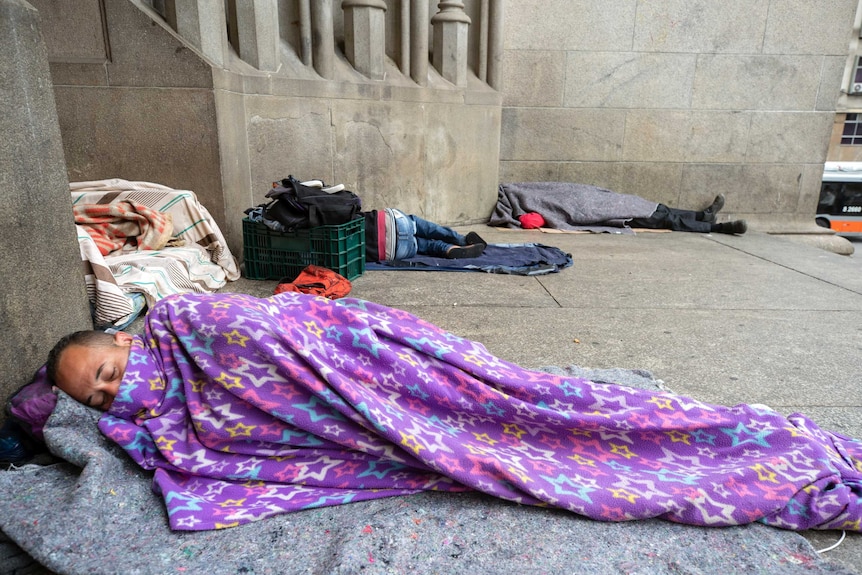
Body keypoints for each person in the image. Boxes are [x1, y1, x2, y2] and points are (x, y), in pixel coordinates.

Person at [43, 291, 862, 533]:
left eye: (108, 369)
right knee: (527, 457)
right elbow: (229, 451)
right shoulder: (164, 421)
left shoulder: (197, 324)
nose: (114, 391)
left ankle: (763, 442)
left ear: (123, 335)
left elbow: (300, 340)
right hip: (380, 436)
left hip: (402, 381)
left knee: (537, 409)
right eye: (98, 396)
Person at [491, 182, 748, 234]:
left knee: (658, 208)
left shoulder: (522, 192)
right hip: (606, 212)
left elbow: (560, 190)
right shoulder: (527, 212)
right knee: (664, 219)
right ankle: (717, 227)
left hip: (600, 200)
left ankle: (703, 215)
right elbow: (530, 222)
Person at [363, 208, 488, 261]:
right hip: (398, 223)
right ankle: (460, 239)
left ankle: (448, 249)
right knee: (423, 227)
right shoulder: (346, 212)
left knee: (423, 245)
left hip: (394, 251)